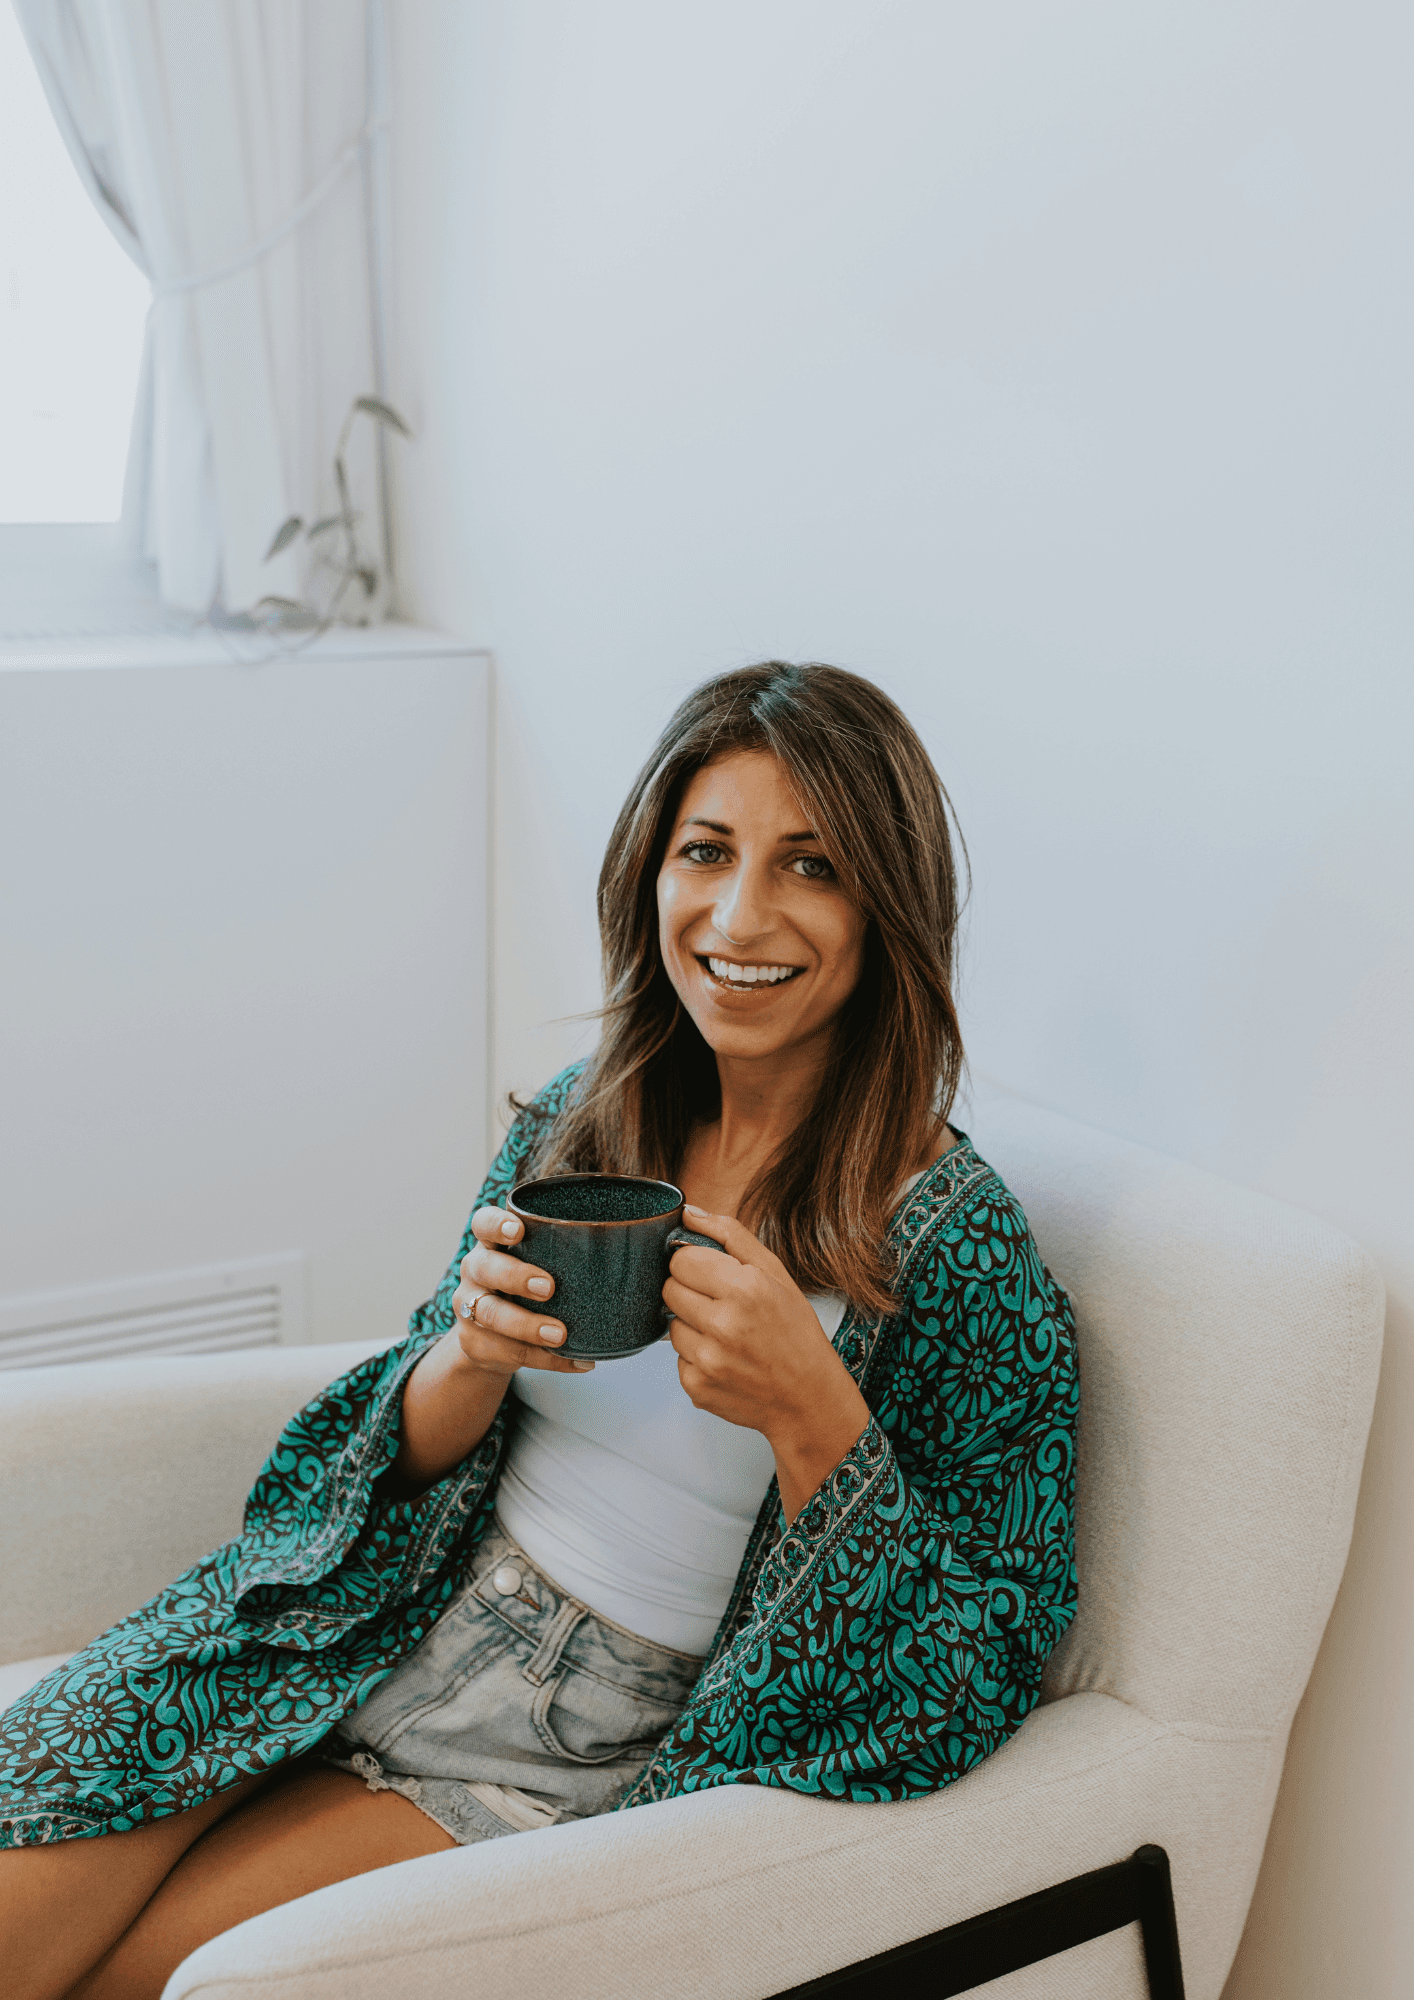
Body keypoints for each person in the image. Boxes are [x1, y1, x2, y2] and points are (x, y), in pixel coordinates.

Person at [0, 661, 1079, 2000]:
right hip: (382, 1618)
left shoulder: (951, 1245)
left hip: (581, 1727)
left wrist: (815, 1414)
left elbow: (977, 1663)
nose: (740, 913)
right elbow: (379, 1449)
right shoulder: (588, 1120)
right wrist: (466, 1355)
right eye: (706, 852)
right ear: (649, 873)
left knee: (161, 1983)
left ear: (887, 911)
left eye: (812, 866)